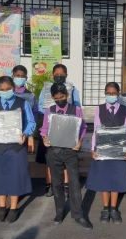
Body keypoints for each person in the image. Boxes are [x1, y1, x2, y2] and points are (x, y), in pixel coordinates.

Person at [0, 76, 36, 223]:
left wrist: (26, 133)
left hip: (16, 147)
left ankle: (13, 208)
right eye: (2, 90)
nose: (5, 92)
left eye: (8, 89)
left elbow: (31, 122)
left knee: (15, 177)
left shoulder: (23, 103)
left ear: (13, 88)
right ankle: (1, 207)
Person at [39, 83, 93, 230]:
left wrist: (79, 142)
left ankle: (78, 214)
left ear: (67, 96)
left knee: (74, 183)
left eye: (62, 97)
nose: (59, 100)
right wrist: (44, 138)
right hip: (53, 151)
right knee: (57, 184)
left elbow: (82, 128)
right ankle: (59, 212)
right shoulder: (49, 111)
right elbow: (44, 128)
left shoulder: (76, 110)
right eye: (56, 98)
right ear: (52, 98)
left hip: (71, 151)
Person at [87, 82, 126, 224]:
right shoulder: (99, 109)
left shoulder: (125, 109)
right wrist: (93, 148)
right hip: (103, 149)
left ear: (118, 93)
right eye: (108, 93)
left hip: (119, 150)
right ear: (105, 93)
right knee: (104, 180)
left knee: (116, 179)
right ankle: (105, 209)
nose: (111, 95)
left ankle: (114, 209)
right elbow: (96, 130)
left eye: (113, 93)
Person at [36, 64, 81, 197]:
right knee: (49, 159)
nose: (59, 76)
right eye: (57, 74)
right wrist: (51, 117)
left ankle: (66, 185)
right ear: (52, 75)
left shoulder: (72, 89)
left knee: (66, 157)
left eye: (62, 74)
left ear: (66, 75)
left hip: (67, 127)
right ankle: (50, 184)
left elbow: (77, 106)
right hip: (50, 127)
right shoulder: (45, 90)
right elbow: (40, 107)